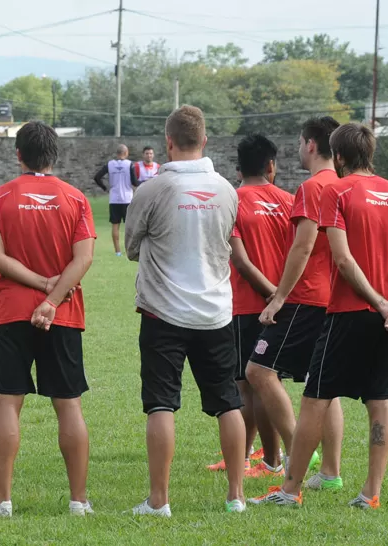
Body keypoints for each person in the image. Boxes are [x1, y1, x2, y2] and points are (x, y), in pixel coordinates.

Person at [250, 123, 388, 510]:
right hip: (385, 316)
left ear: (339, 156)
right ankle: (370, 493)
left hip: (348, 311)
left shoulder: (335, 191)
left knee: (315, 398)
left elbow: (342, 259)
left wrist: (377, 301)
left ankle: (289, 491)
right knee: (379, 401)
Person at [126, 106, 246, 516]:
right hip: (216, 312)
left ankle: (159, 500)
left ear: (168, 142)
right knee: (228, 401)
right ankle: (236, 496)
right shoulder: (228, 190)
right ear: (206, 141)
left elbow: (131, 247)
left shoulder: (153, 189)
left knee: (161, 404)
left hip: (163, 313)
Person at [0, 121, 96, 518]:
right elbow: (84, 259)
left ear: (18, 155)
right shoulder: (75, 198)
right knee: (69, 407)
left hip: (11, 312)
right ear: (54, 155)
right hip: (63, 315)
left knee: (7, 407)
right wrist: (54, 296)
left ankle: (2, 501)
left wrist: (40, 286)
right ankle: (79, 501)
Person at [247, 117, 344, 492]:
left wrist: (280, 297)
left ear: (311, 145)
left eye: (301, 141)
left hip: (306, 298)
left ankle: (295, 455)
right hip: (332, 297)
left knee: (257, 370)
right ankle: (331, 474)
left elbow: (303, 246)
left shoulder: (312, 188)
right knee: (322, 385)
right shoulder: (342, 185)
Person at [215, 135, 290, 478]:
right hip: (286, 304)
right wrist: (281, 296)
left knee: (249, 385)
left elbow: (241, 262)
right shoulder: (290, 201)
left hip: (247, 304)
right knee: (268, 381)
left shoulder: (232, 201)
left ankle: (267, 461)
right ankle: (248, 456)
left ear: (238, 167)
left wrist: (270, 296)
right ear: (271, 165)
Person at [94, 144, 137, 256]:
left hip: (114, 199)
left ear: (117, 153)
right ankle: (129, 250)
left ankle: (117, 252)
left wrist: (105, 188)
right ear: (126, 153)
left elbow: (97, 177)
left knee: (115, 225)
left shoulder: (110, 164)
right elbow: (134, 182)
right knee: (129, 226)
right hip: (127, 198)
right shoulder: (129, 165)